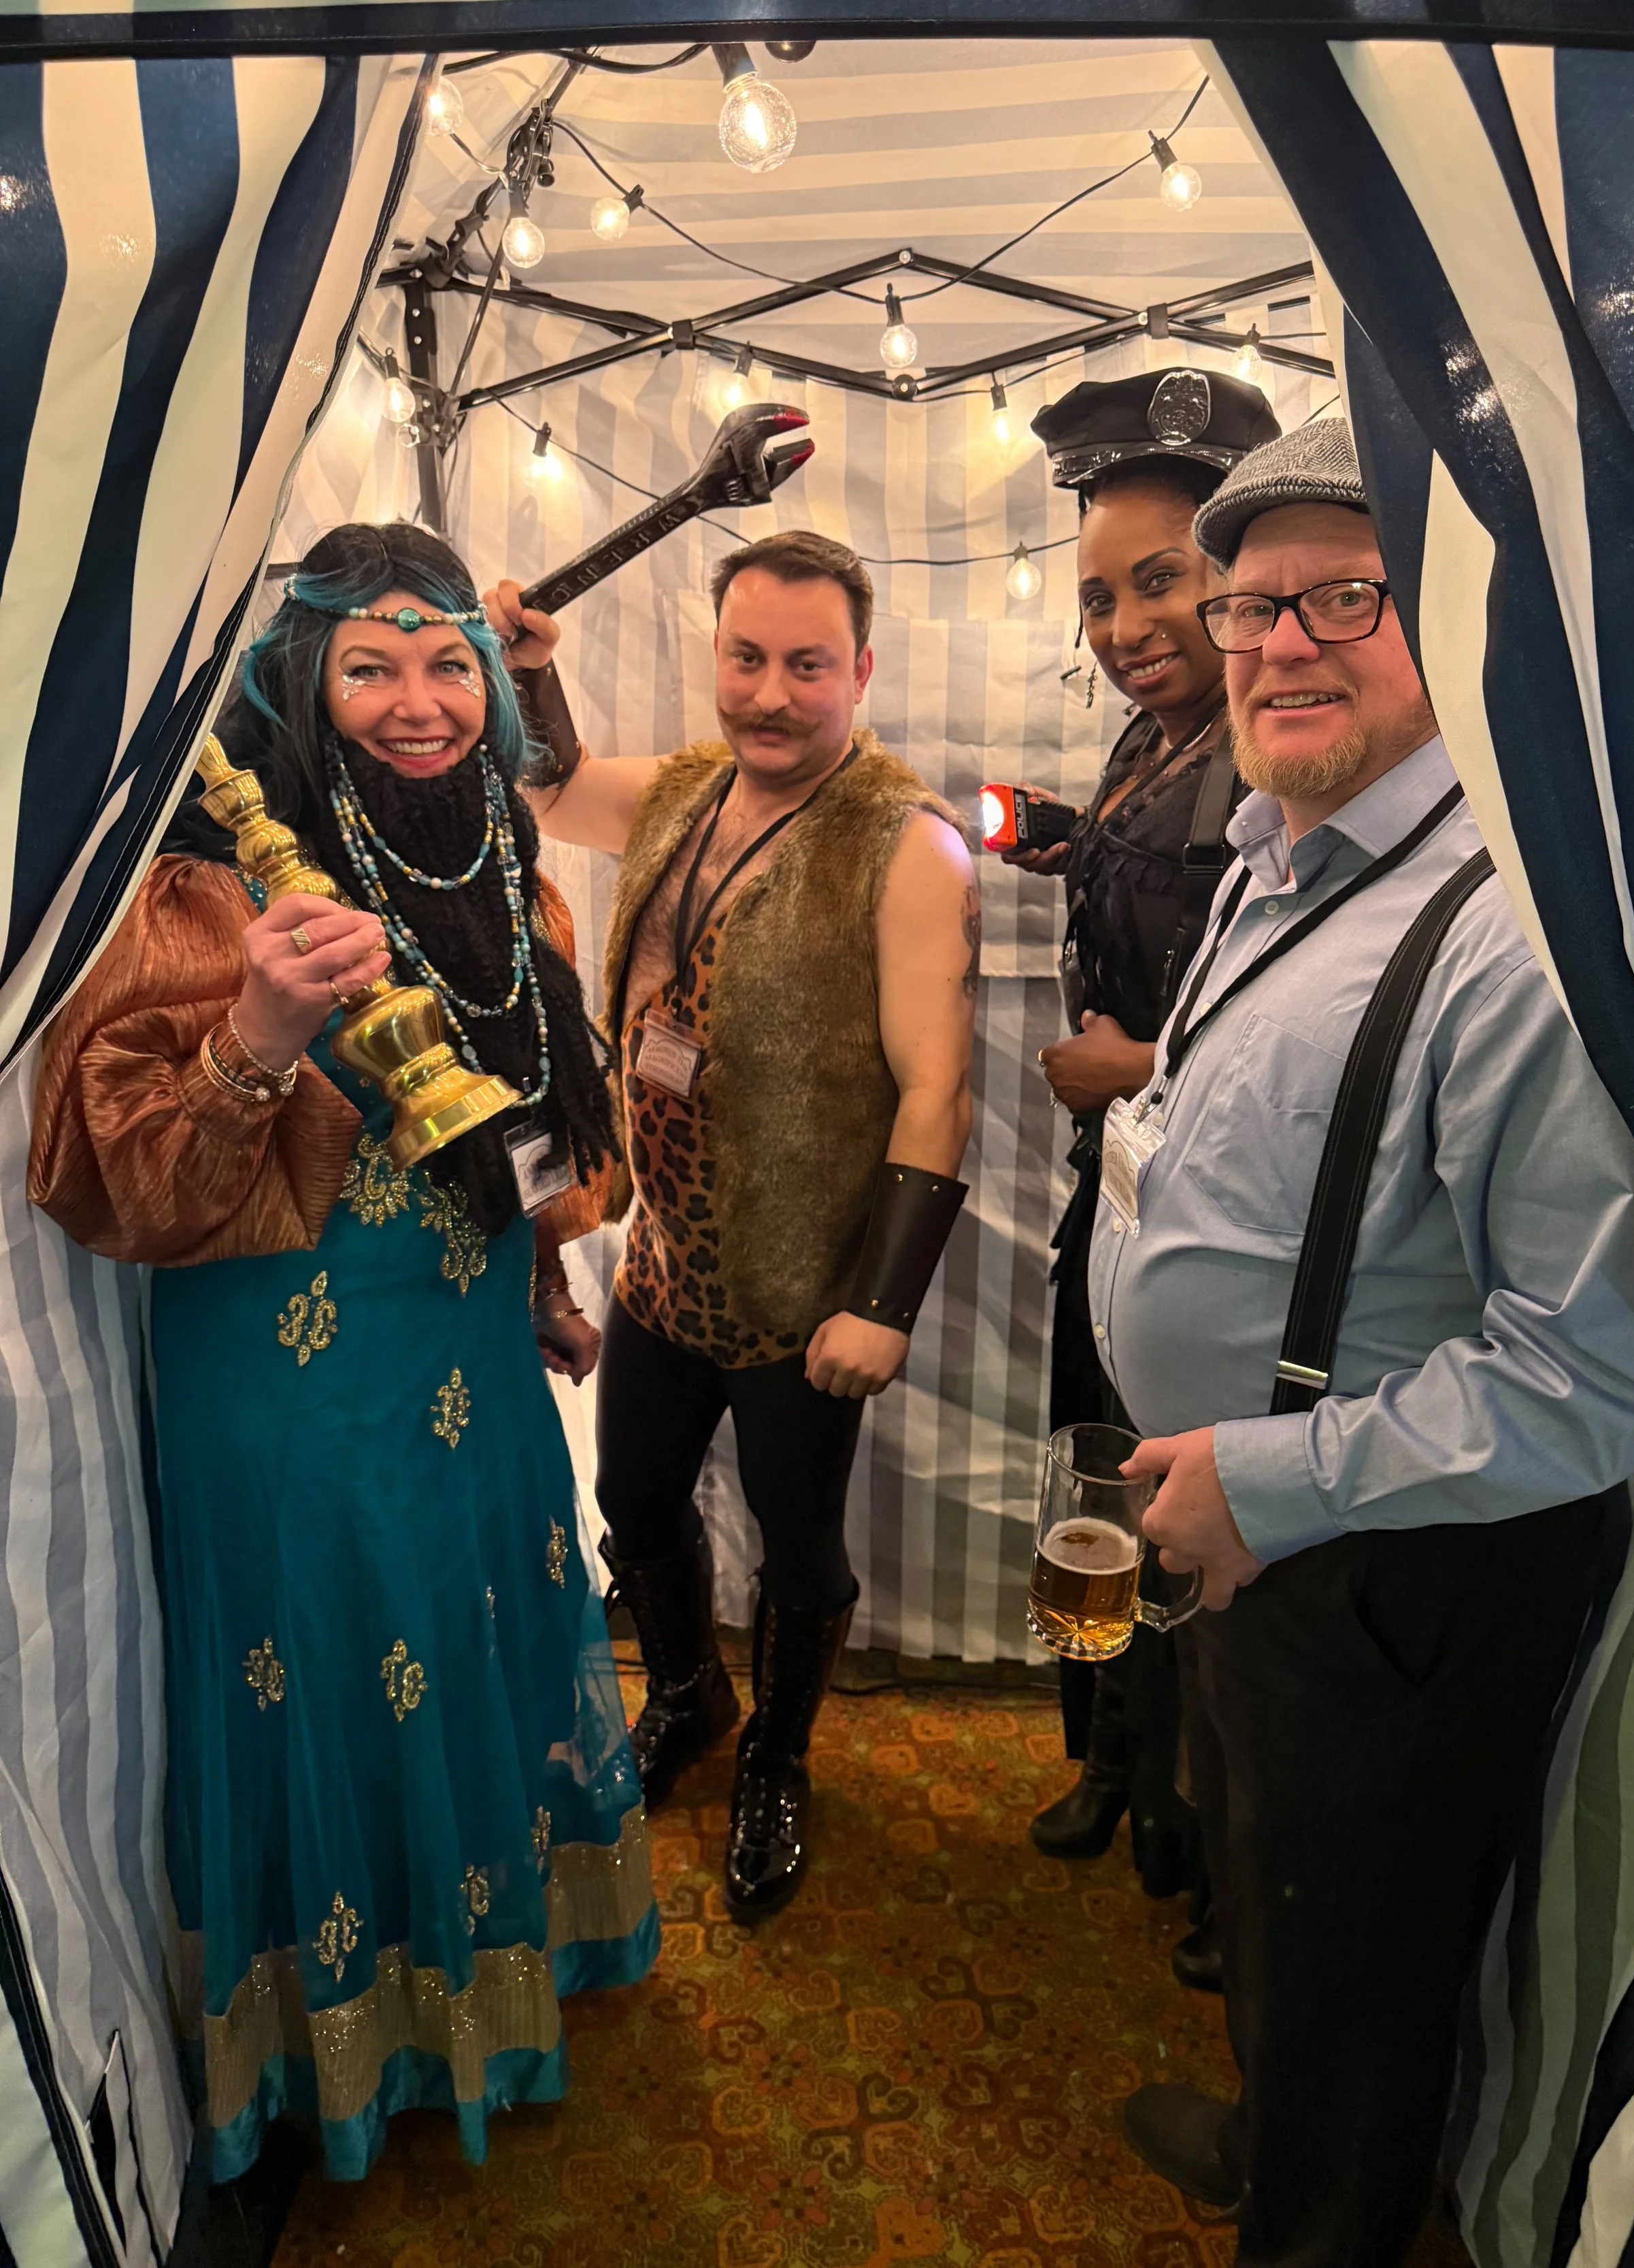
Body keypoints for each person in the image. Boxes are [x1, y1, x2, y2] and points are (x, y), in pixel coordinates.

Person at [1095, 423, 1634, 2263]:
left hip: (1388, 1569)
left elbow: (1611, 1364)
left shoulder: (1514, 930)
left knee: (1360, 1964)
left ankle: (1319, 2208)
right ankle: (1275, 2116)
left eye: (1346, 596)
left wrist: (1263, 1478)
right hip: (1250, 1531)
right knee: (1284, 1906)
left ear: (1456, 615)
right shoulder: (1275, 855)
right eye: (1253, 601)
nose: (1280, 639)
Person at [28, 523, 658, 2183]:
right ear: (293, 678)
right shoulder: (203, 870)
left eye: (449, 659)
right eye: (368, 665)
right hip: (289, 1393)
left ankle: (488, 1984)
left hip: (469, 1353)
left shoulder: (488, 848)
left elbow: (515, 1123)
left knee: (473, 1637)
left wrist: (534, 1274)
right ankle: (356, 2048)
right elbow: (127, 1195)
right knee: (337, 1661)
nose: (418, 699)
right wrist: (259, 1034)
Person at [492, 528, 978, 1922]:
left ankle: (778, 1752)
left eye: (806, 665)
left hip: (801, 1285)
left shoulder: (907, 842)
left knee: (797, 1535)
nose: (770, 694)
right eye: (746, 658)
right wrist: (533, 673)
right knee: (631, 1499)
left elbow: (939, 1088)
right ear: (716, 654)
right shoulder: (685, 790)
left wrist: (880, 1303)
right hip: (661, 1269)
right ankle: (695, 1698)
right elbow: (559, 784)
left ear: (861, 669)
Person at [1011, 373, 1275, 1968]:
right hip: (1108, 1205)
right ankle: (1113, 1764)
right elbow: (1131, 874)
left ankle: (1197, 1830)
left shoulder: (1274, 751)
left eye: (1157, 580)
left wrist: (1142, 1072)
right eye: (1100, 593)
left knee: (1192, 1522)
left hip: (1220, 1230)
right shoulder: (1151, 736)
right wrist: (1034, 826)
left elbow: (1304, 1033)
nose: (1120, 623)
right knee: (1095, 1474)